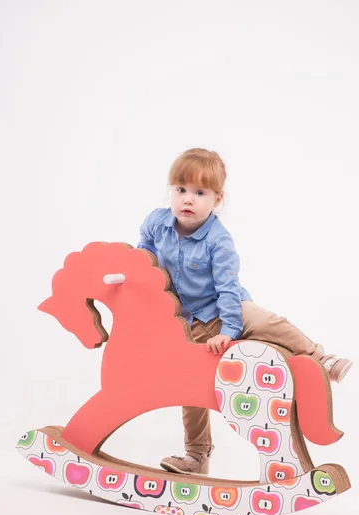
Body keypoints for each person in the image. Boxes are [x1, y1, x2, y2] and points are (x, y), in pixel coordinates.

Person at [136, 148, 353, 476]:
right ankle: (196, 456)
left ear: (217, 199)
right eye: (180, 190)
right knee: (190, 387)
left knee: (265, 319)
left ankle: (320, 358)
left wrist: (228, 331)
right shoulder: (156, 222)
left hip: (225, 308)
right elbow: (145, 256)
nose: (188, 199)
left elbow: (227, 288)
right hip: (187, 322)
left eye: (199, 192)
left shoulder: (218, 242)